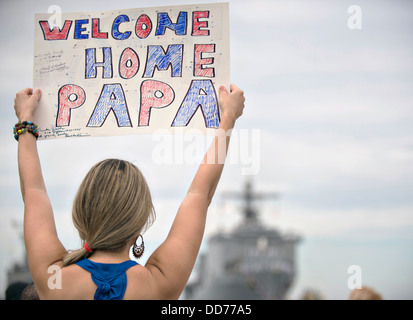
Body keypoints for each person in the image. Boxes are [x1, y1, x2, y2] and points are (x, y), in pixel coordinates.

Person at [14, 84, 245, 300]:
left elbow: (33, 192)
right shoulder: (158, 283)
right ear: (142, 219)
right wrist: (228, 118)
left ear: (81, 213)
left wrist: (25, 120)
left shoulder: (54, 280)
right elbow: (200, 194)